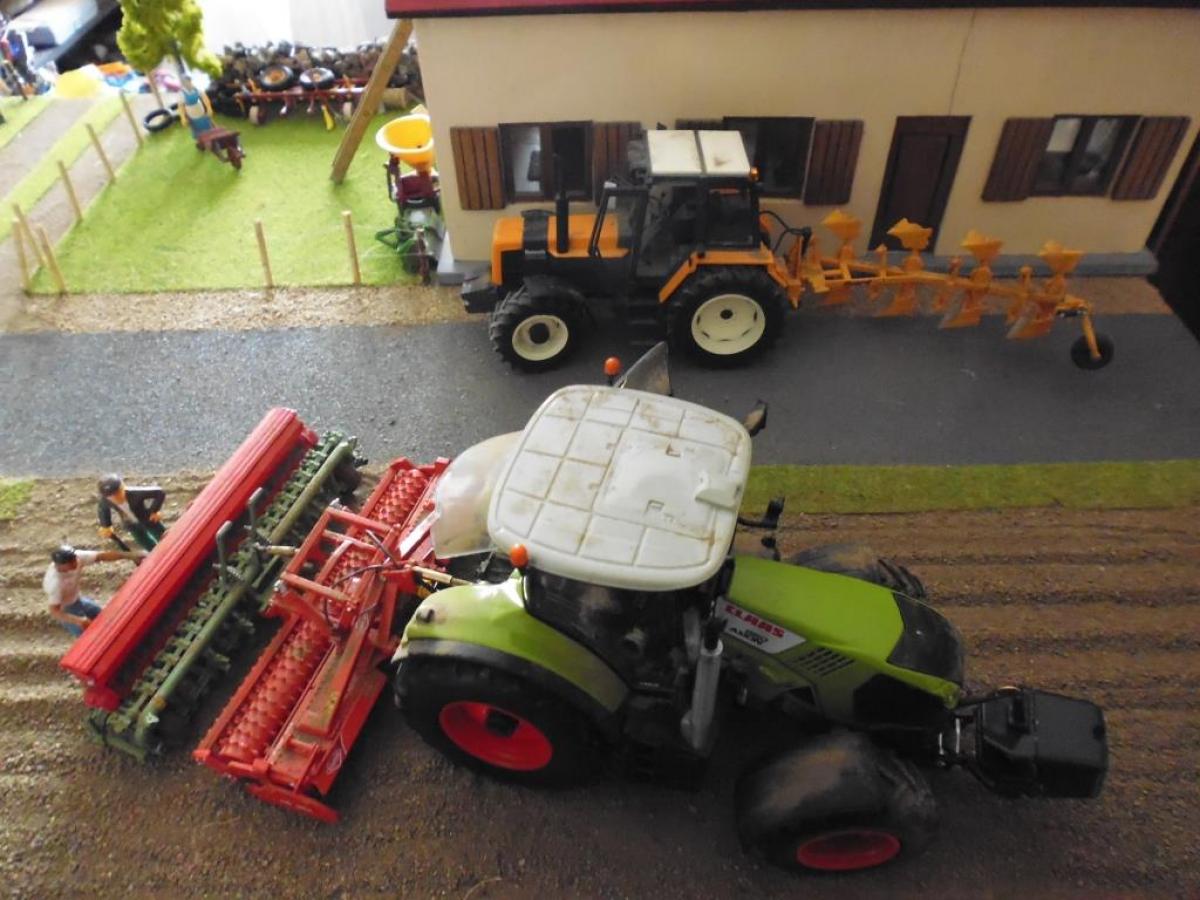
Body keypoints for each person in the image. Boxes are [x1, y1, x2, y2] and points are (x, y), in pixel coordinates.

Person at [43, 544, 141, 637]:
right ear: (60, 565)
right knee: (88, 635)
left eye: (74, 560)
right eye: (70, 563)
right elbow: (55, 611)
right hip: (67, 610)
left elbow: (101, 556)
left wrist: (129, 555)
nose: (75, 563)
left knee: (105, 619)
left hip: (78, 600)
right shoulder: (55, 584)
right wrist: (78, 620)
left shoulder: (77, 557)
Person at [97, 474, 166, 552]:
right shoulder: (106, 501)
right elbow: (103, 510)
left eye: (117, 493)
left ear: (122, 487)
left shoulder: (135, 494)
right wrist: (106, 526)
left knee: (162, 536)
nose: (115, 497)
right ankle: (155, 553)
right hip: (130, 524)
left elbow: (159, 493)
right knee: (144, 542)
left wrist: (154, 511)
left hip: (147, 518)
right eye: (111, 496)